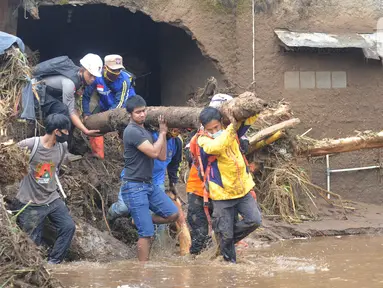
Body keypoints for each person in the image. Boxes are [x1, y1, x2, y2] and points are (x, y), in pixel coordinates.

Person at [186, 94, 252, 255]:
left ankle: (223, 256)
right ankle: (195, 265)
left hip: (224, 191)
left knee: (225, 229)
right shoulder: (200, 138)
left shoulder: (233, 133)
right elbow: (194, 153)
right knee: (200, 234)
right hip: (199, 189)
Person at [196, 107, 262, 263]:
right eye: (210, 129)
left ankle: (224, 240)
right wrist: (232, 126)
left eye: (216, 127)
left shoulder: (231, 131)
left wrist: (253, 106)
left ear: (221, 123)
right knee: (226, 238)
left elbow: (251, 117)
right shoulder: (203, 140)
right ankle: (229, 266)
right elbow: (217, 147)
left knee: (254, 220)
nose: (214, 131)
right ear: (204, 129)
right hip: (222, 194)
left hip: (242, 189)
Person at [120, 95, 179, 262]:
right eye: (138, 112)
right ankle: (142, 271)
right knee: (146, 233)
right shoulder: (132, 131)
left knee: (173, 214)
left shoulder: (145, 131)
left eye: (144, 111)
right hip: (134, 186)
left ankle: (138, 220)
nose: (142, 115)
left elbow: (161, 156)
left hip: (148, 184)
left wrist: (164, 136)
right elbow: (153, 152)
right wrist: (161, 132)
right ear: (130, 114)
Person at [15, 113, 76, 264]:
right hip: (30, 202)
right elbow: (8, 158)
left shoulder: (62, 146)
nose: (67, 135)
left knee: (68, 227)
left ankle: (53, 263)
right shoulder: (30, 145)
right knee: (32, 243)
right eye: (66, 131)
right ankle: (37, 268)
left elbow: (57, 168)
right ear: (57, 131)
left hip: (51, 198)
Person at [107, 129, 183, 224]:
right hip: (134, 178)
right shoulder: (147, 134)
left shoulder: (177, 142)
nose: (175, 133)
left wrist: (173, 184)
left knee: (161, 213)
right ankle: (108, 218)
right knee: (123, 208)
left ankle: (138, 223)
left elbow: (175, 164)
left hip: (156, 182)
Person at [32, 54, 103, 137]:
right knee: (63, 111)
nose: (92, 79)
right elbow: (71, 111)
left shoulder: (79, 78)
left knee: (70, 119)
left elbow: (72, 106)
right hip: (37, 90)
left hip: (50, 92)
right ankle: (56, 142)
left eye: (94, 77)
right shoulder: (70, 83)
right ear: (81, 70)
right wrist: (85, 131)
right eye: (90, 75)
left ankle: (67, 146)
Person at [81, 54, 136, 159]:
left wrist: (107, 119)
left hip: (124, 106)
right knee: (93, 123)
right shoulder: (96, 77)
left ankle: (129, 156)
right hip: (105, 103)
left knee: (126, 127)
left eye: (118, 70)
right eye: (113, 70)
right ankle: (98, 154)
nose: (116, 74)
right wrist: (86, 113)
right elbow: (86, 96)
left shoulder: (124, 80)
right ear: (105, 68)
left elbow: (119, 104)